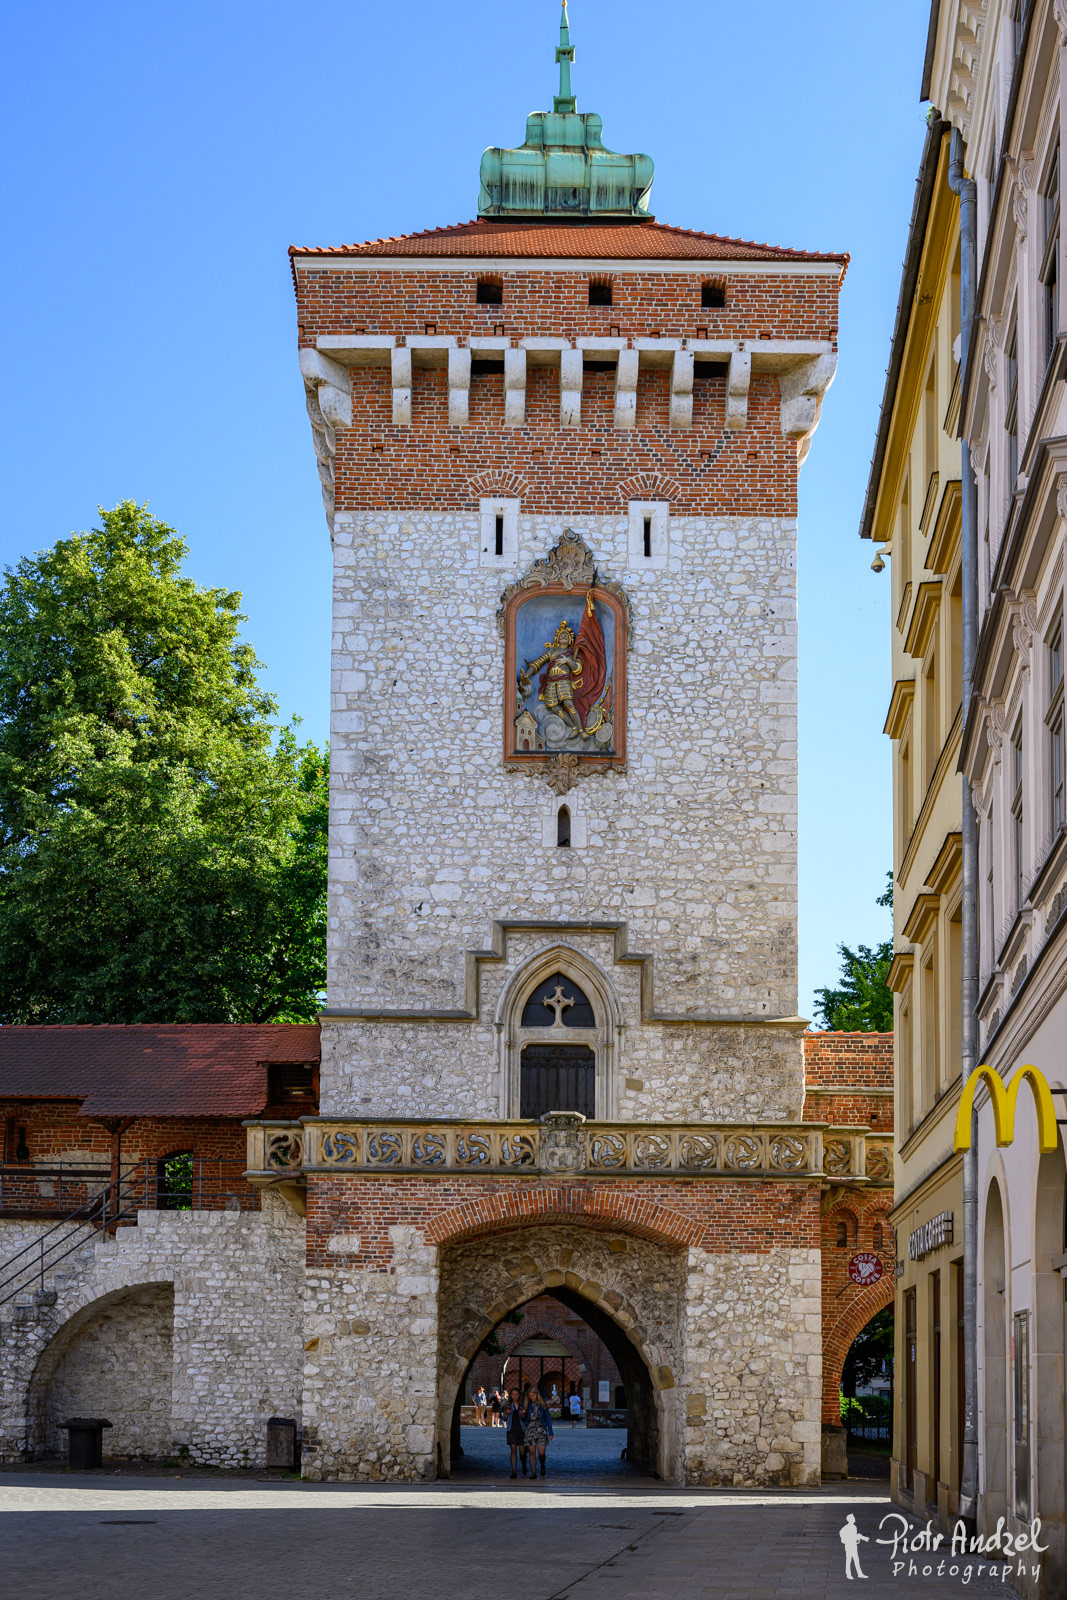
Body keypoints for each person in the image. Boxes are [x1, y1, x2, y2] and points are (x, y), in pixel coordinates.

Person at [522, 1385, 554, 1476]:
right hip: (530, 1430)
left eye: (533, 1395)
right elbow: (524, 1420)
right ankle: (533, 1473)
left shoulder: (542, 1405)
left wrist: (550, 1432)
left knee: (541, 1453)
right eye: (530, 1395)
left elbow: (548, 1419)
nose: (531, 1397)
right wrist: (523, 1415)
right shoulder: (527, 1405)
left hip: (541, 1430)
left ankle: (542, 1464)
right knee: (532, 1452)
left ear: (537, 1395)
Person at [504, 1387, 527, 1478]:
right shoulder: (508, 1405)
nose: (514, 1396)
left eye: (516, 1394)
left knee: (522, 1451)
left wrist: (523, 1414)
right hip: (512, 1429)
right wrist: (506, 1413)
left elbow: (526, 1419)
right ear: (510, 1395)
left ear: (519, 1395)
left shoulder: (523, 1405)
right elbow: (505, 1418)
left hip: (521, 1430)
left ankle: (524, 1463)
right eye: (513, 1394)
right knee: (513, 1450)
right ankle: (513, 1471)